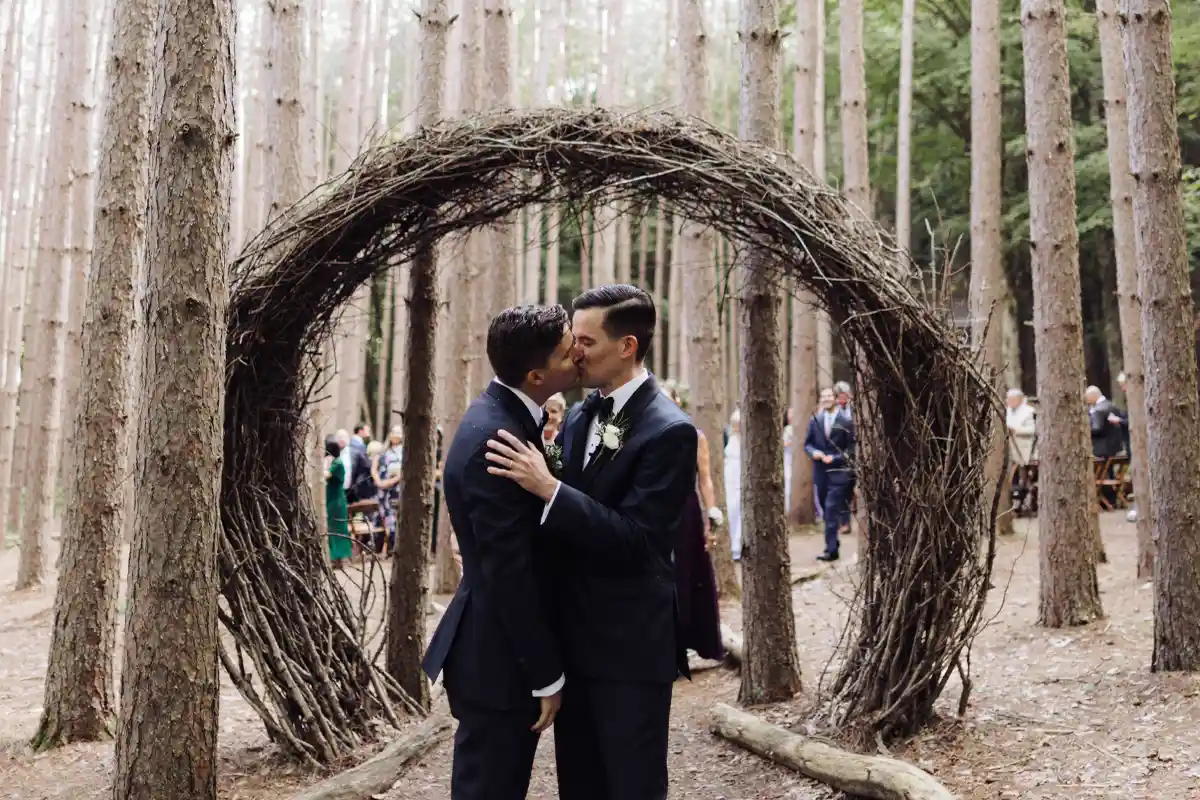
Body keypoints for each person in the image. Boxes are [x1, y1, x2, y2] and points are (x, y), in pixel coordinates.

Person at [485, 284, 698, 800]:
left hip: (628, 649)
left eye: (586, 341)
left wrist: (550, 489)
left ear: (627, 346)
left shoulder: (671, 431)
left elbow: (639, 541)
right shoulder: (582, 414)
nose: (573, 352)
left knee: (631, 785)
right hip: (572, 644)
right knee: (578, 785)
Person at [422, 305, 581, 800]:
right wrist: (546, 673)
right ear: (537, 375)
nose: (578, 351)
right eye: (566, 349)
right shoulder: (498, 439)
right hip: (498, 657)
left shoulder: (510, 416)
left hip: (498, 647)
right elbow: (508, 572)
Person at [662, 381, 723, 662]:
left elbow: (705, 478)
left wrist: (712, 513)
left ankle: (682, 646)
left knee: (684, 575)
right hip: (654, 511)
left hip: (685, 512)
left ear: (676, 402)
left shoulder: (694, 435)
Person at [804, 387, 855, 562]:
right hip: (821, 474)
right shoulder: (815, 421)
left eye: (829, 396)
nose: (826, 399)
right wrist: (814, 453)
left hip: (839, 473)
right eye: (823, 396)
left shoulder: (846, 422)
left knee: (832, 508)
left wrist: (835, 458)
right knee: (827, 511)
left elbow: (851, 449)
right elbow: (807, 444)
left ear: (835, 398)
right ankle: (834, 542)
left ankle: (830, 550)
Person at [324, 435, 352, 568]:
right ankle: (335, 558)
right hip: (332, 500)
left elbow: (326, 475)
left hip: (336, 502)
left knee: (337, 529)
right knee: (333, 528)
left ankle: (340, 558)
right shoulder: (335, 462)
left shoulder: (337, 463)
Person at [723, 409, 742, 561]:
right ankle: (729, 543)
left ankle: (737, 545)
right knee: (730, 510)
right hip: (729, 478)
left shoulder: (745, 442)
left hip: (740, 479)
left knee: (739, 510)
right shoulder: (729, 438)